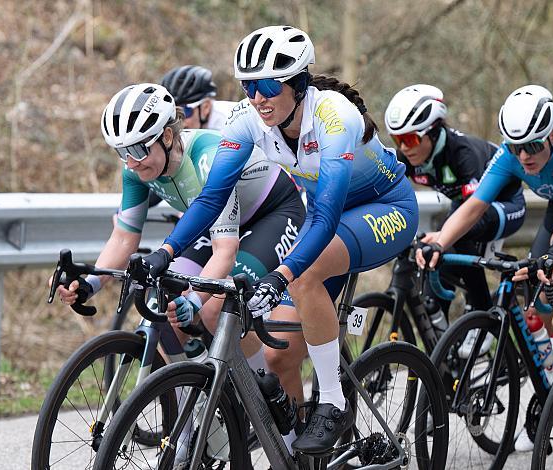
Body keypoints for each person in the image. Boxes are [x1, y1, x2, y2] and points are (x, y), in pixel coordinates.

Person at [140, 25, 418, 454]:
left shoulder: (334, 116)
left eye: (268, 85)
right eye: (248, 86)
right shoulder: (246, 120)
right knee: (278, 353)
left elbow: (325, 217)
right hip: (328, 219)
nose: (257, 98)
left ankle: (332, 401)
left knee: (301, 277)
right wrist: (166, 252)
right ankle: (295, 450)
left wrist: (280, 275)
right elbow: (212, 197)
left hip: (385, 208)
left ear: (299, 82)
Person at [55, 83, 305, 373]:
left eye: (137, 149)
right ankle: (190, 400)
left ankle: (267, 388)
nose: (131, 162)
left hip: (274, 214)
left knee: (215, 308)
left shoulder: (207, 159)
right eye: (122, 152)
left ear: (168, 136)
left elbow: (225, 250)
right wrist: (91, 283)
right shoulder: (136, 170)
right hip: (220, 223)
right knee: (165, 308)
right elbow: (124, 238)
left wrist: (197, 301)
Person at [416, 84, 553, 451]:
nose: (524, 155)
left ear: (552, 135)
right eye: (516, 147)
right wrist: (441, 240)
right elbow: (475, 205)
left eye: (533, 145)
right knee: (534, 287)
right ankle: (551, 391)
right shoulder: (510, 154)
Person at [386, 84, 526, 353]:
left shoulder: (462, 153)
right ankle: (447, 354)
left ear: (433, 131)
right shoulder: (407, 156)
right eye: (397, 140)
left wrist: (441, 237)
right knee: (433, 277)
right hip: (464, 208)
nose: (404, 147)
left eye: (411, 139)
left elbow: (471, 212)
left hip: (503, 205)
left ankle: (483, 313)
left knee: (462, 232)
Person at [161, 65, 236, 130]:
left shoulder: (233, 123)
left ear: (206, 107)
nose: (177, 122)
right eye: (172, 113)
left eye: (185, 111)